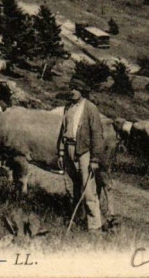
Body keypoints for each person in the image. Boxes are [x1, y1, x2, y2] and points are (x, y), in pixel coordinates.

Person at [57, 88, 105, 232]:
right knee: (72, 186)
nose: (72, 91)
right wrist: (60, 152)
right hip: (68, 149)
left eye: (76, 89)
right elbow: (63, 131)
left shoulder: (90, 108)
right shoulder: (68, 107)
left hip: (84, 151)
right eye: (71, 88)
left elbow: (97, 134)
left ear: (82, 91)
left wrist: (95, 159)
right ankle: (78, 217)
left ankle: (95, 226)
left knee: (88, 189)